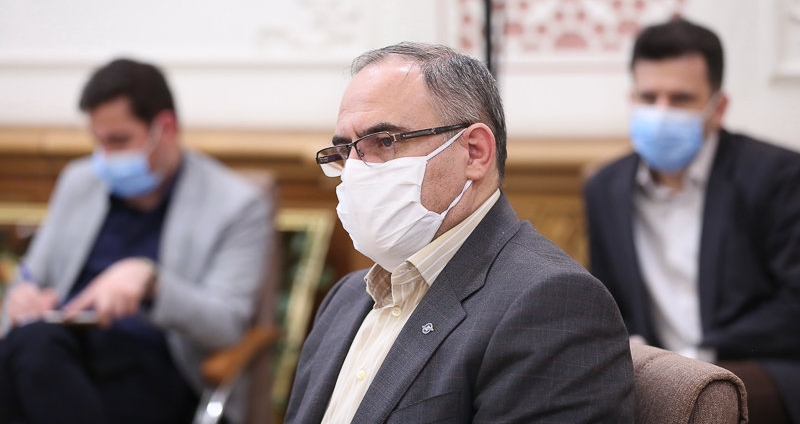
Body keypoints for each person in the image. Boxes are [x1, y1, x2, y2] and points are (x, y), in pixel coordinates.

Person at [285, 42, 634, 424]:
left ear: (475, 152)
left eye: (384, 142)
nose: (354, 172)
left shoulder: (551, 304)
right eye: (344, 152)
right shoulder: (346, 299)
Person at [0, 58, 273, 424]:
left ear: (166, 128)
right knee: (32, 345)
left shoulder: (236, 204)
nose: (106, 156)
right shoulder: (80, 181)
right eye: (99, 142)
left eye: (119, 140)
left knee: (31, 358)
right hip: (61, 354)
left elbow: (225, 326)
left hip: (156, 368)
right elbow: (32, 276)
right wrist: (23, 298)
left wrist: (151, 282)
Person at [584, 17, 800, 424]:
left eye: (680, 99)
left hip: (758, 365)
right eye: (649, 97)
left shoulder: (777, 176)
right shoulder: (605, 188)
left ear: (718, 108)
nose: (661, 112)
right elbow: (607, 300)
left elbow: (793, 304)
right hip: (655, 368)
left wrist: (701, 353)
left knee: (705, 401)